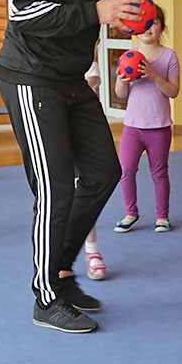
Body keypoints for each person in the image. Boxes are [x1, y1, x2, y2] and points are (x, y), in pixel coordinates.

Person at [0, 0, 144, 333]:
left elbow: (96, 0)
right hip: (30, 74)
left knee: (105, 171)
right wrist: (98, 8)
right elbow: (22, 10)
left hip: (70, 76)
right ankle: (45, 299)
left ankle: (59, 271)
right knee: (55, 187)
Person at [113, 4, 180, 234]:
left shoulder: (170, 55)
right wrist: (122, 81)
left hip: (159, 126)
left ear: (162, 26)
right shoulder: (128, 56)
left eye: (153, 22)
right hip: (133, 126)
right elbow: (121, 94)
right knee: (126, 170)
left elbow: (173, 91)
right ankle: (131, 212)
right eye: (143, 24)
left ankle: (162, 216)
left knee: (159, 172)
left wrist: (153, 75)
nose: (148, 28)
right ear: (134, 29)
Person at [82, 43, 105, 280]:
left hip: (84, 136)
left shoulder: (90, 64)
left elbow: (90, 83)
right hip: (57, 134)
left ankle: (92, 251)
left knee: (86, 193)